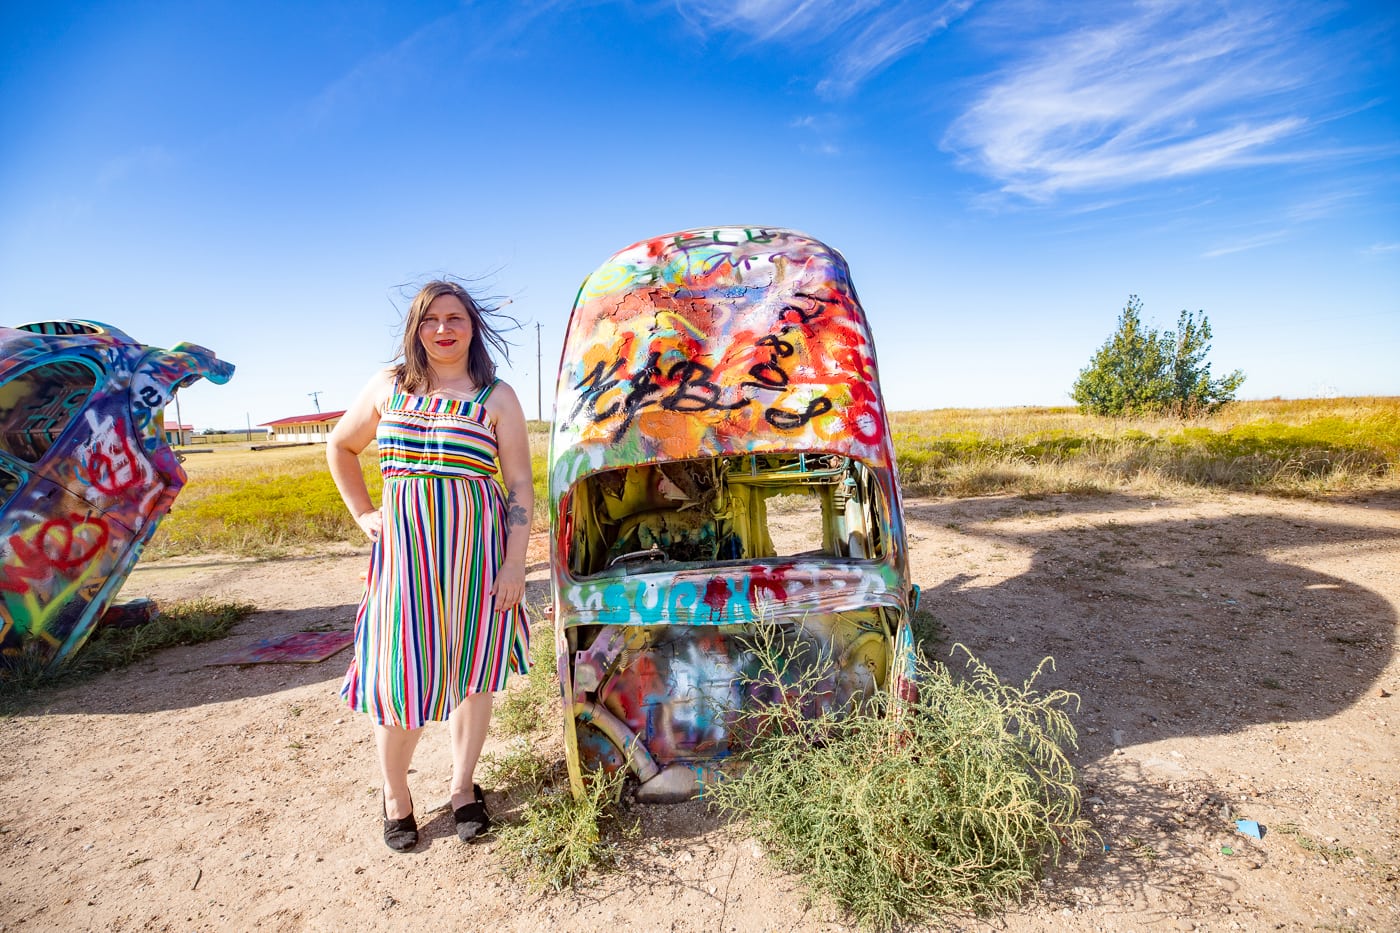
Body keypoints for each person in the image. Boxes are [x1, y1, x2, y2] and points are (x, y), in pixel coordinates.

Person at [328, 279, 532, 851]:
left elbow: (518, 483)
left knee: (472, 675)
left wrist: (514, 566)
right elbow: (340, 447)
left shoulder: (496, 396)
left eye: (455, 318)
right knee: (401, 676)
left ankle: (462, 788)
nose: (443, 329)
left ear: (473, 326)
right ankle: (396, 795)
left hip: (476, 558)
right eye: (430, 320)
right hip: (404, 561)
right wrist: (364, 512)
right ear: (415, 329)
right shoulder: (388, 387)